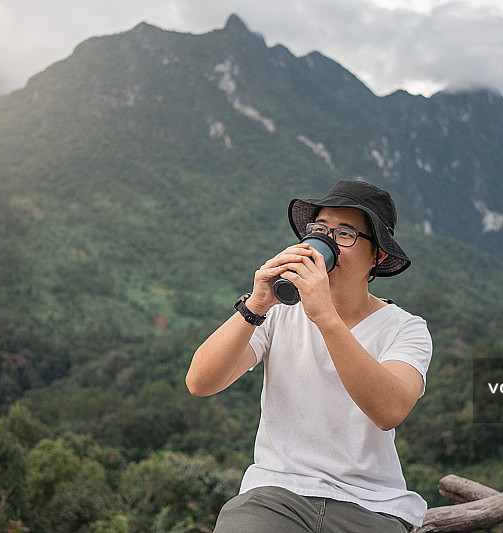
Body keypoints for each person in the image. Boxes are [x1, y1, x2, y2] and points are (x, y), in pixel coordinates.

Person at [185, 179, 433, 532]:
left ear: (377, 255)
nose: (326, 242)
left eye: (344, 234)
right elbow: (200, 382)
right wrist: (256, 305)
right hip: (276, 495)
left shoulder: (405, 328)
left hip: (371, 505)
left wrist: (325, 316)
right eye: (319, 230)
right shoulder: (278, 311)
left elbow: (389, 411)